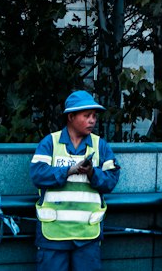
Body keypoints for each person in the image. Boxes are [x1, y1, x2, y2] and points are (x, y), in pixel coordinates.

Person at [30, 89, 121, 269]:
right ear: (71, 117)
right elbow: (37, 175)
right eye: (86, 115)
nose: (92, 120)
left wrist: (92, 173)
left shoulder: (100, 146)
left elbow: (111, 180)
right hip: (54, 236)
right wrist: (68, 171)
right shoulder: (50, 143)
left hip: (87, 235)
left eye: (94, 116)